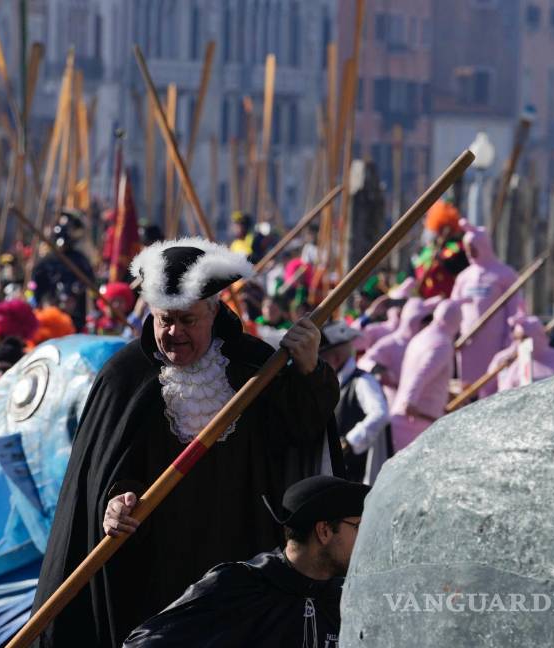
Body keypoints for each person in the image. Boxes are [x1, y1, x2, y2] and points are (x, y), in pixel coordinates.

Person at [33, 237, 341, 647]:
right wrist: (115, 501)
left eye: (188, 320)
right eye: (165, 320)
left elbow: (301, 432)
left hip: (239, 551)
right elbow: (104, 470)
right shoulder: (124, 376)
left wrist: (308, 371)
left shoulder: (256, 367)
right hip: (152, 565)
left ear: (213, 312)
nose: (174, 333)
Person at [124, 476, 369, 647]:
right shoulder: (237, 587)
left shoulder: (347, 596)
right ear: (324, 531)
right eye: (358, 527)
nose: (366, 539)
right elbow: (143, 643)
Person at [451, 221, 523, 390]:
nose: (471, 252)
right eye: (468, 248)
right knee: (468, 388)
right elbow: (453, 308)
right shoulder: (463, 278)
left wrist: (509, 340)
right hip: (467, 343)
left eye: (474, 247)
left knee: (492, 384)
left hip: (494, 343)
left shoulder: (504, 274)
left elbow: (514, 310)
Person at [319, 322, 391, 485]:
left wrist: (350, 441)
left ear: (335, 358)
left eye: (323, 357)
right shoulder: (333, 383)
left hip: (358, 471)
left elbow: (380, 414)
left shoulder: (362, 381)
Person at [389, 298, 463, 451]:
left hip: (406, 416)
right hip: (416, 419)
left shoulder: (421, 336)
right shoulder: (442, 343)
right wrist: (410, 401)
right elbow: (422, 373)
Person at [357, 296, 440, 405]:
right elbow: (363, 362)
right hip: (396, 404)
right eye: (423, 320)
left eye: (428, 320)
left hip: (422, 408)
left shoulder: (428, 344)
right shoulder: (393, 342)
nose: (426, 324)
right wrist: (378, 369)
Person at [482, 315, 554, 397]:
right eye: (516, 338)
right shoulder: (502, 360)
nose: (519, 342)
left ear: (538, 336)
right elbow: (487, 393)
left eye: (524, 338)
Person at [31, 210, 95, 330]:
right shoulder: (46, 261)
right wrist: (47, 300)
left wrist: (76, 291)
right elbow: (37, 285)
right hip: (51, 311)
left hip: (75, 313)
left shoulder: (79, 259)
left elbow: (90, 282)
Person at [413, 200, 468, 299]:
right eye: (440, 228)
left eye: (446, 228)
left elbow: (462, 269)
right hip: (427, 300)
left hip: (451, 298)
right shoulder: (426, 251)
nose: (443, 232)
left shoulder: (458, 248)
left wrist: (442, 261)